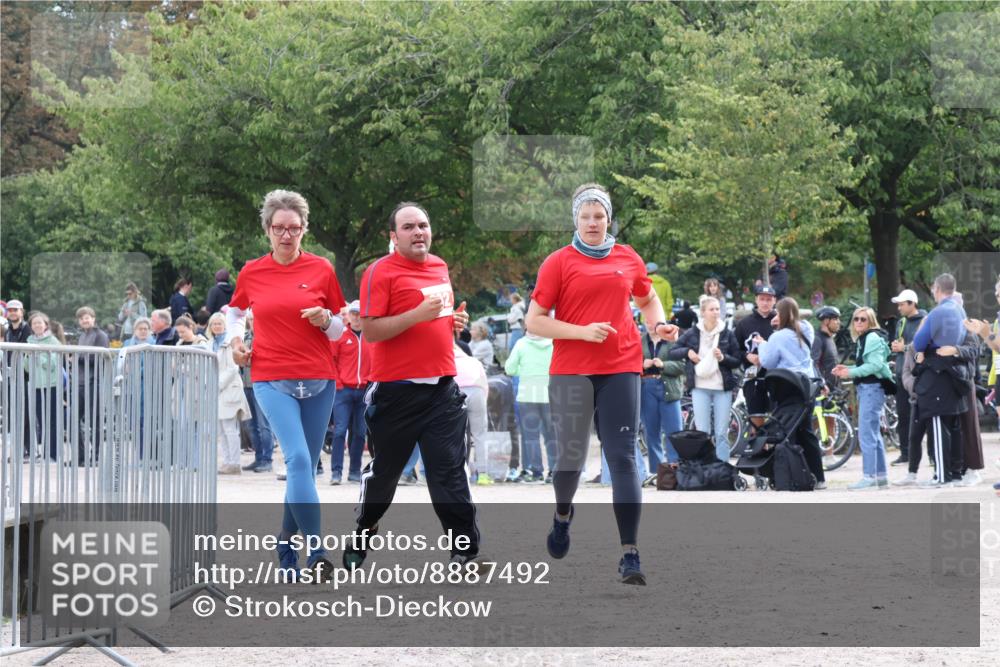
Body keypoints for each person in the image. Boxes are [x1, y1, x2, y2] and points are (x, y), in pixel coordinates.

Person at [525, 183, 679, 586]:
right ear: (575, 219)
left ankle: (630, 553)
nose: (593, 223)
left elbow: (646, 300)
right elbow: (534, 321)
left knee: (623, 457)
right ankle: (562, 515)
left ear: (609, 218)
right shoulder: (558, 262)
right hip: (572, 368)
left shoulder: (627, 257)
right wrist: (580, 331)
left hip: (622, 364)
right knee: (570, 459)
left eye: (600, 215)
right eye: (586, 216)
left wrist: (657, 326)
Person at [344, 201, 479, 572]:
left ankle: (463, 551)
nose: (418, 232)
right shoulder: (379, 272)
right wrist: (418, 315)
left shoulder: (439, 266)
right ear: (393, 236)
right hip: (395, 392)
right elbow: (370, 329)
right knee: (386, 474)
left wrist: (453, 321)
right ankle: (363, 530)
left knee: (449, 470)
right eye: (409, 227)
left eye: (423, 225)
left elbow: (437, 317)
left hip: (442, 388)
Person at [227, 189, 347, 580]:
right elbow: (234, 311)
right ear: (267, 230)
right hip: (270, 376)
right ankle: (316, 551)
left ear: (304, 230)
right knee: (296, 460)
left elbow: (340, 328)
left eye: (294, 228)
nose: (286, 235)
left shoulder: (322, 270)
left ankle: (285, 542)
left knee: (304, 469)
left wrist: (324, 319)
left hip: (319, 379)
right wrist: (234, 341)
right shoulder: (252, 271)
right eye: (279, 228)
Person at [756, 297, 826, 488]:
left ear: (782, 314)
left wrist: (763, 344)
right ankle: (818, 477)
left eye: (777, 312)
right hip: (807, 386)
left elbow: (768, 362)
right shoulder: (807, 329)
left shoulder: (777, 337)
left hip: (787, 386)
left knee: (788, 430)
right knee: (807, 431)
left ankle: (792, 476)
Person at [910, 273, 969, 487]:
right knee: (953, 426)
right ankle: (955, 473)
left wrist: (922, 351)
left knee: (938, 424)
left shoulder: (938, 312)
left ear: (937, 288)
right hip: (954, 371)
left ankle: (942, 475)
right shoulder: (960, 309)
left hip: (936, 374)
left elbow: (918, 342)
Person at [670, 296, 741, 462]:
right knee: (702, 431)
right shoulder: (692, 333)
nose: (716, 312)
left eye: (717, 309)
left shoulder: (727, 333)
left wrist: (723, 358)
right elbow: (674, 351)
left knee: (722, 432)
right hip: (699, 386)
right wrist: (687, 352)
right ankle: (705, 467)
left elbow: (737, 359)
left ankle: (723, 468)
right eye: (712, 309)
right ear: (703, 312)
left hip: (721, 387)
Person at [833, 307, 893, 490]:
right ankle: (880, 477)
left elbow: (874, 365)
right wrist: (848, 370)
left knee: (867, 433)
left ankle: (869, 477)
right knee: (873, 434)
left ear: (871, 321)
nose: (858, 322)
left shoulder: (872, 338)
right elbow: (870, 364)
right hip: (870, 389)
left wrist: (849, 372)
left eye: (863, 319)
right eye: (856, 319)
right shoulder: (865, 338)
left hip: (871, 389)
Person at [504, 331, 555, 483]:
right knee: (551, 436)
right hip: (550, 394)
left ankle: (536, 472)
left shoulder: (521, 343)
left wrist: (525, 371)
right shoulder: (553, 343)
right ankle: (553, 472)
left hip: (527, 395)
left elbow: (510, 369)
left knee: (531, 437)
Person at [329, 300, 370, 485]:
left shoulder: (371, 336)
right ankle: (336, 472)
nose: (356, 317)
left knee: (360, 433)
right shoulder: (340, 335)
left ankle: (354, 471)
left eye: (360, 314)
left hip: (364, 391)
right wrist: (338, 384)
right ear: (350, 315)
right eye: (353, 313)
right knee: (339, 431)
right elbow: (332, 360)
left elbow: (378, 361)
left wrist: (371, 383)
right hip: (343, 391)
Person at [205, 312, 251, 475]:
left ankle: (235, 463)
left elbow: (233, 368)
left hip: (229, 389)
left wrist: (216, 384)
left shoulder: (229, 342)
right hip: (216, 390)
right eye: (214, 324)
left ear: (225, 325)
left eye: (220, 323)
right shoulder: (209, 343)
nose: (217, 326)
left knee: (230, 428)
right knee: (221, 429)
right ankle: (227, 462)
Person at [639, 318, 685, 472]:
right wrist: (641, 365)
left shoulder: (672, 340)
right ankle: (656, 472)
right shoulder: (640, 341)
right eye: (647, 321)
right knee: (652, 432)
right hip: (647, 387)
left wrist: (663, 365)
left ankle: (674, 470)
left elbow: (682, 365)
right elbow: (628, 362)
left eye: (654, 321)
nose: (650, 324)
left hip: (669, 388)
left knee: (674, 431)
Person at [888, 289, 926, 467]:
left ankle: (932, 455)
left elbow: (922, 345)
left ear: (912, 303)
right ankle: (905, 454)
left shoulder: (925, 321)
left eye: (902, 304)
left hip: (918, 375)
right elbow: (900, 344)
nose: (899, 308)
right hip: (901, 375)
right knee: (903, 416)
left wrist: (902, 348)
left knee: (922, 415)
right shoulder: (901, 322)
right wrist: (896, 347)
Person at [238, 310, 275, 473]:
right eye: (250, 319)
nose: (252, 322)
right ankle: (258, 457)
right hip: (246, 384)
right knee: (251, 425)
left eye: (255, 319)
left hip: (262, 384)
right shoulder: (244, 338)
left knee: (263, 424)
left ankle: (267, 459)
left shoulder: (268, 337)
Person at [734, 284, 778, 422]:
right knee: (756, 417)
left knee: (777, 419)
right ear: (756, 300)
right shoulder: (744, 324)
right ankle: (758, 443)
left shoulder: (780, 322)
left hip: (778, 377)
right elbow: (734, 349)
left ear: (774, 301)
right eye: (762, 299)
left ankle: (776, 444)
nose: (765, 302)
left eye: (769, 299)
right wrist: (747, 356)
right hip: (753, 377)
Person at [73, 306, 109, 466]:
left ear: (93, 318)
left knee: (95, 422)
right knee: (74, 420)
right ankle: (80, 457)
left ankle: (97, 456)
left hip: (95, 382)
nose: (84, 320)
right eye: (81, 318)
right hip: (80, 383)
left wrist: (77, 357)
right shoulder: (82, 336)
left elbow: (98, 358)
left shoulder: (100, 335)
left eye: (87, 317)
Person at [26, 312, 62, 461]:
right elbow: (27, 367)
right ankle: (44, 452)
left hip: (51, 385)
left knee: (52, 420)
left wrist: (37, 353)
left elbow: (52, 365)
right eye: (34, 323)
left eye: (39, 323)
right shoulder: (29, 340)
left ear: (46, 325)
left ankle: (52, 454)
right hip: (36, 385)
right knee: (41, 420)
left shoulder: (53, 341)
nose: (37, 325)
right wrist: (28, 357)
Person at [455, 343, 490, 484]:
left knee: (458, 435)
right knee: (480, 435)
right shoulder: (474, 361)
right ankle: (483, 474)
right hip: (477, 393)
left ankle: (461, 473)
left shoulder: (449, 362)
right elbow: (485, 384)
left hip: (457, 393)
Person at [811, 306, 842, 392]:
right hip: (824, 391)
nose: (839, 322)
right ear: (826, 321)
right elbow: (813, 364)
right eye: (835, 319)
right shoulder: (817, 339)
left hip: (834, 389)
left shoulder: (830, 338)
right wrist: (821, 384)